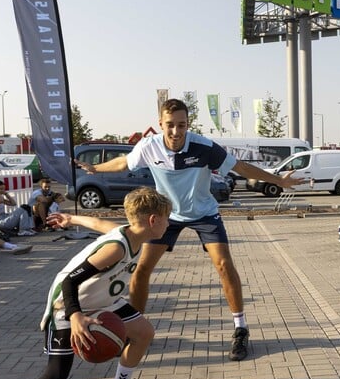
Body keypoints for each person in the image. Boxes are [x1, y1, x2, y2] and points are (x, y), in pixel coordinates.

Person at [74, 98, 304, 361]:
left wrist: (278, 180)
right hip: (166, 215)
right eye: (170, 125)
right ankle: (134, 330)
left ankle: (240, 329)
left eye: (181, 125)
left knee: (224, 265)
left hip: (204, 213)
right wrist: (94, 168)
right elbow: (124, 163)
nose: (175, 131)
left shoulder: (204, 147)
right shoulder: (149, 147)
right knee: (141, 268)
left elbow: (240, 167)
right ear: (160, 124)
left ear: (187, 124)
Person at [0, 188, 172, 379]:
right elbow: (70, 281)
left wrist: (71, 219)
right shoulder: (115, 248)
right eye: (166, 218)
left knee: (143, 332)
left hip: (103, 299)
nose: (169, 223)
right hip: (68, 304)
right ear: (153, 220)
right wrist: (74, 316)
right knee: (56, 374)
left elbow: (97, 223)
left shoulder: (132, 233)